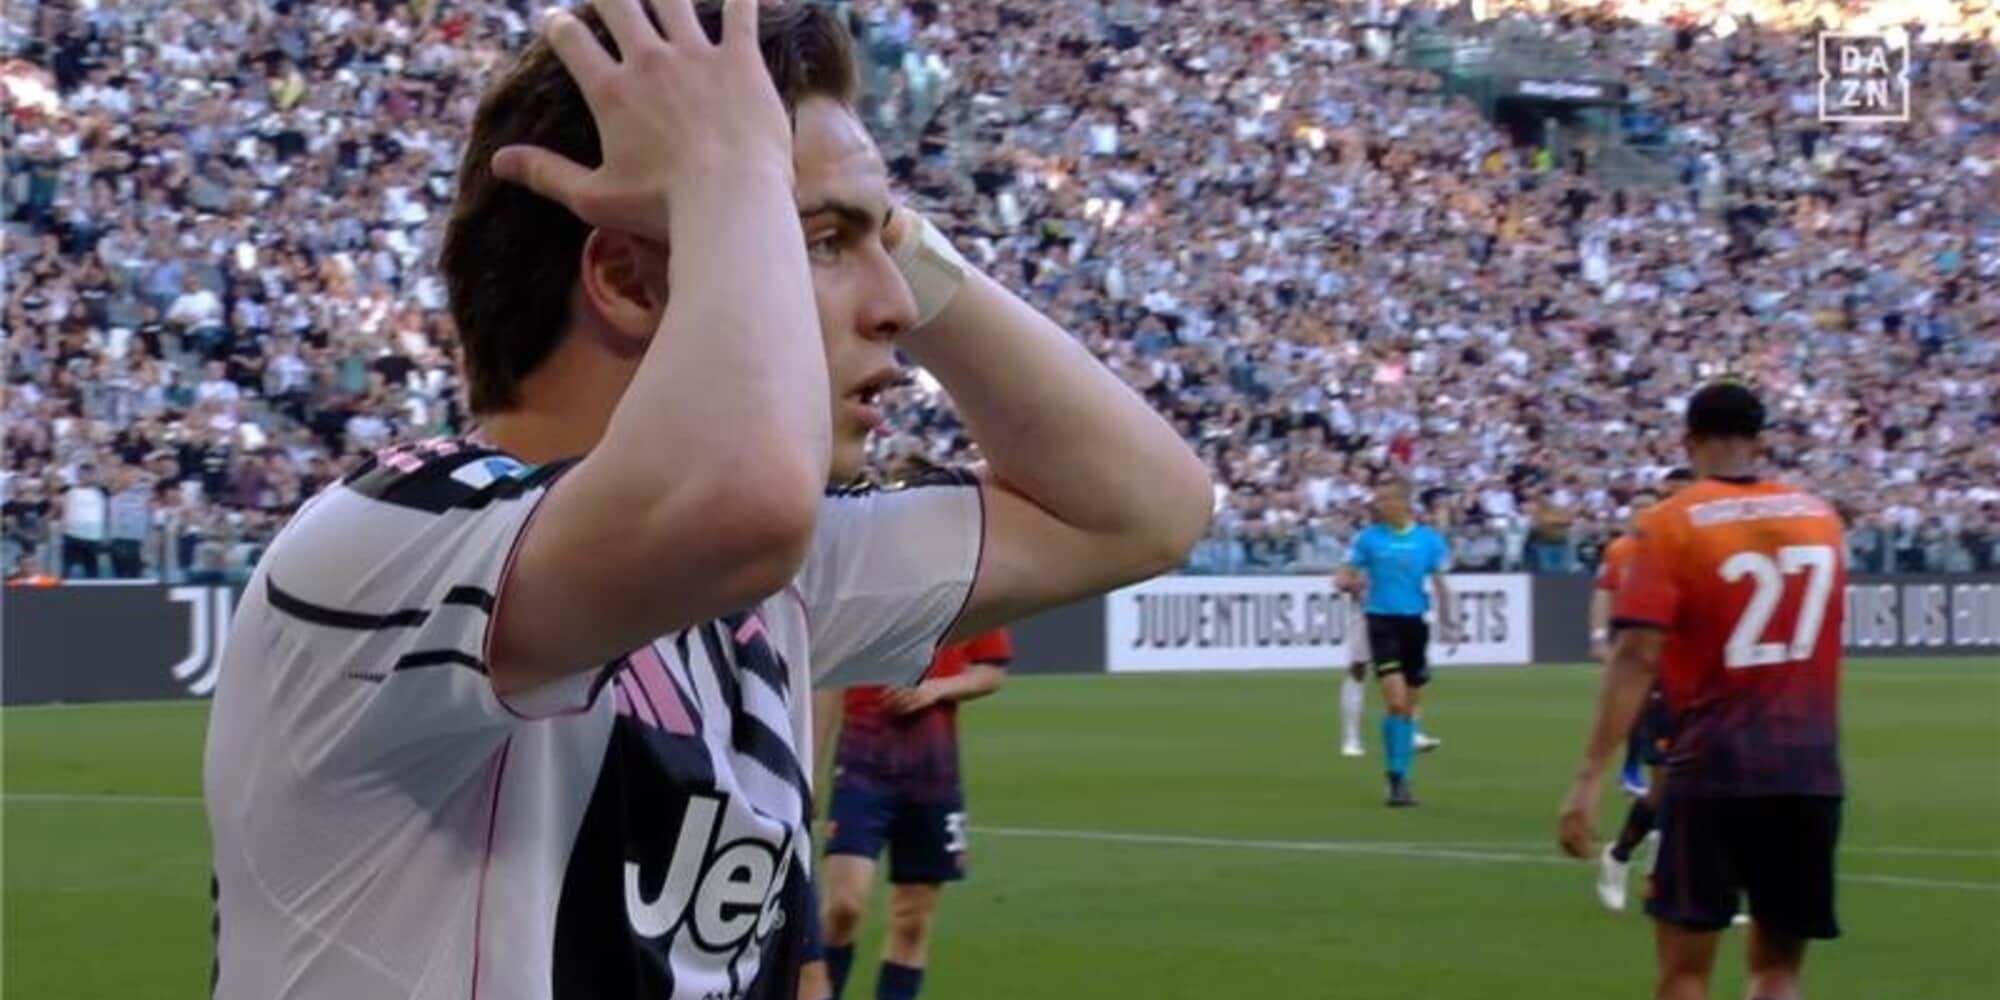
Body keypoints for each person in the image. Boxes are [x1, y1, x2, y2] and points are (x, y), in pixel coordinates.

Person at [202, 4, 1212, 1000]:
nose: (898, 307)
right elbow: (742, 507)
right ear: (629, 280)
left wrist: (887, 225)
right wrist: (734, 175)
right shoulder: (394, 540)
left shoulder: (764, 586)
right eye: (822, 241)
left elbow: (1142, 510)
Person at [1560, 382, 1846, 1000]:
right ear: (1761, 442)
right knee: (1778, 970)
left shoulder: (1670, 523)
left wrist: (1588, 777)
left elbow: (1637, 655)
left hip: (1713, 765)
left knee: (1686, 972)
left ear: (1688, 441)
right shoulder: (1820, 518)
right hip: (1809, 767)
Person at [816, 628, 1011, 1000]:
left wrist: (934, 689)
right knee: (843, 907)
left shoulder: (965, 597)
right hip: (861, 765)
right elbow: (826, 683)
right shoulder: (865, 599)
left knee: (912, 920)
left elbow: (992, 671)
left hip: (933, 774)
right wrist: (811, 767)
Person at [1337, 483, 1455, 807]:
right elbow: (1343, 574)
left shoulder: (1429, 540)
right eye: (1377, 500)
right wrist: (1347, 583)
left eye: (1384, 499)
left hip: (1414, 625)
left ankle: (1401, 775)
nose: (1378, 505)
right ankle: (1396, 780)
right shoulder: (1368, 539)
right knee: (1397, 703)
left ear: (1403, 503)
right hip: (1381, 623)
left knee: (1409, 708)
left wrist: (1449, 622)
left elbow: (1440, 583)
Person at [59, 461, 107, 579]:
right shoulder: (71, 492)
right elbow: (65, 511)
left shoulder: (101, 492)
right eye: (82, 474)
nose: (85, 477)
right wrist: (64, 529)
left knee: (92, 572)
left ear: (94, 475)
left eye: (89, 474)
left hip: (93, 537)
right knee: (67, 571)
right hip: (72, 535)